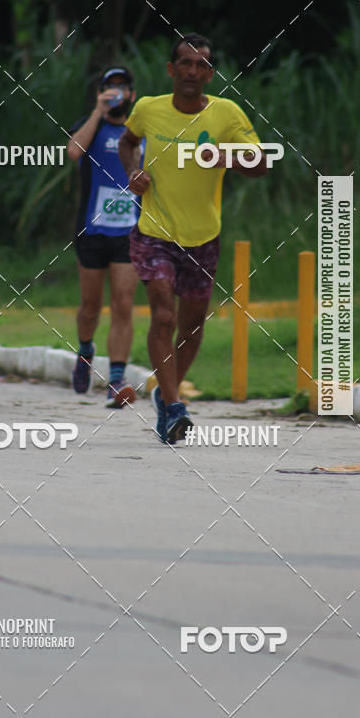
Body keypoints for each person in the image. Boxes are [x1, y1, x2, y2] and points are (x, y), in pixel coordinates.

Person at [118, 33, 268, 444]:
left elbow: (261, 163)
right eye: (185, 63)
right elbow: (128, 141)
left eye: (201, 65)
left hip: (203, 237)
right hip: (154, 232)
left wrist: (228, 157)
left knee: (191, 327)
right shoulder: (148, 109)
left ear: (210, 74)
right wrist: (134, 172)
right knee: (163, 316)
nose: (192, 71)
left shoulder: (226, 114)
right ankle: (176, 405)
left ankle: (165, 402)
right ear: (171, 70)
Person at [67, 65, 144, 408]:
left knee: (124, 304)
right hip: (92, 230)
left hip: (129, 231)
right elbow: (73, 152)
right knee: (90, 306)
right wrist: (98, 112)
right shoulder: (92, 126)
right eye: (109, 87)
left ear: (132, 95)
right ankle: (85, 351)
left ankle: (116, 380)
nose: (116, 93)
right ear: (100, 92)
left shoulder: (142, 131)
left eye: (122, 88)